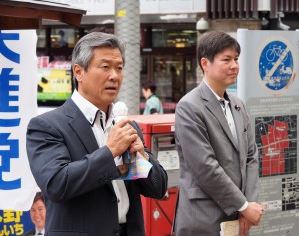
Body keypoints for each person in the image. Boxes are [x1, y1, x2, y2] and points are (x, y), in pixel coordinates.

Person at [26, 32, 168, 236]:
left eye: (119, 68)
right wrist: (110, 152)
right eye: (105, 67)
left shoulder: (126, 125)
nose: (114, 75)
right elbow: (56, 184)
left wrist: (143, 158)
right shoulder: (47, 126)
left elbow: (158, 188)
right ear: (78, 72)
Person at [173, 31, 264, 236]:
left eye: (236, 59)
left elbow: (251, 156)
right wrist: (243, 205)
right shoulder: (189, 106)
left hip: (239, 218)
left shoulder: (238, 104)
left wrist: (248, 204)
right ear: (205, 63)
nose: (234, 65)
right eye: (226, 60)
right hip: (204, 218)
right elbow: (205, 166)